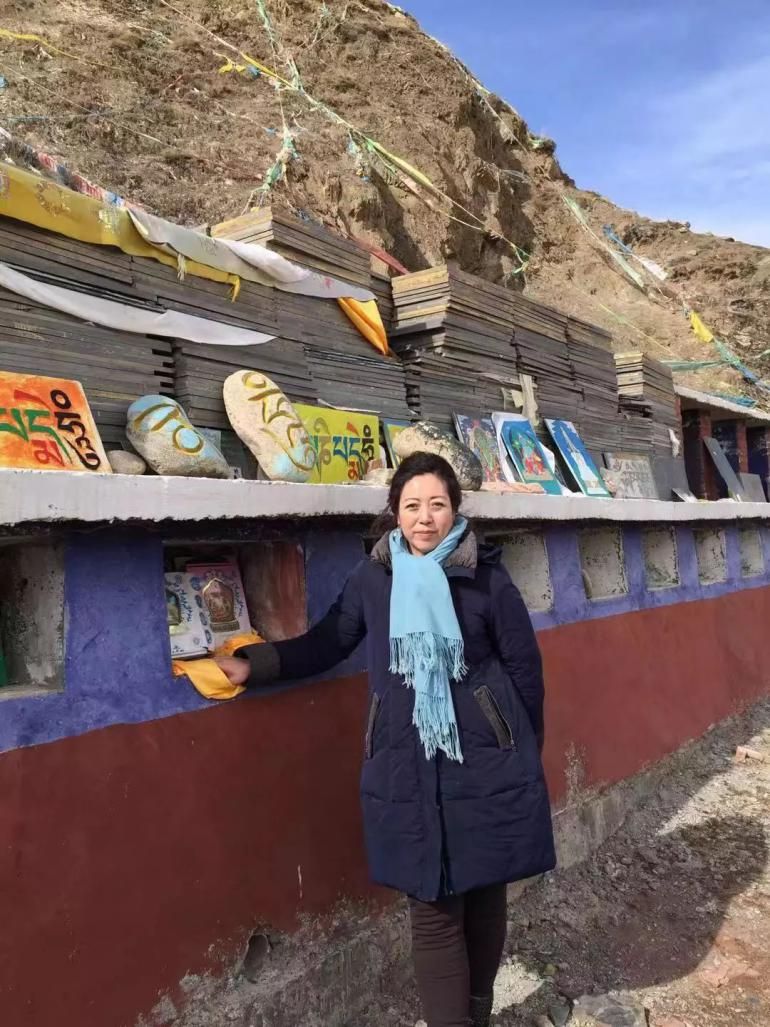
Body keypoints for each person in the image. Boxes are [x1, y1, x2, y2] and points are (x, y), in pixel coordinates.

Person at [215, 452, 556, 1027]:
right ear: (395, 512)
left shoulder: (485, 577)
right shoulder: (373, 579)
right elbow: (329, 640)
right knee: (433, 909)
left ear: (456, 511)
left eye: (437, 505)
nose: (425, 517)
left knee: (484, 894)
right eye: (413, 505)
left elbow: (526, 671)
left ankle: (479, 1014)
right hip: (405, 759)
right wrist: (257, 665)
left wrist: (521, 753)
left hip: (483, 759)